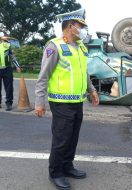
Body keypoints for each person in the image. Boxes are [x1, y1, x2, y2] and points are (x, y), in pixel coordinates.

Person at [34, 7, 99, 190]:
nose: (84, 30)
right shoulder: (54, 46)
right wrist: (40, 102)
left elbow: (83, 72)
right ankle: (55, 172)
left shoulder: (80, 47)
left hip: (77, 101)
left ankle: (67, 166)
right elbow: (43, 76)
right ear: (71, 27)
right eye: (81, 26)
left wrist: (91, 90)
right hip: (61, 103)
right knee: (61, 139)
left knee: (72, 138)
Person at [0, 35, 21, 111]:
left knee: (9, 87)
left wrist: (17, 66)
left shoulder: (7, 45)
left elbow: (12, 57)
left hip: (7, 69)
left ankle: (9, 104)